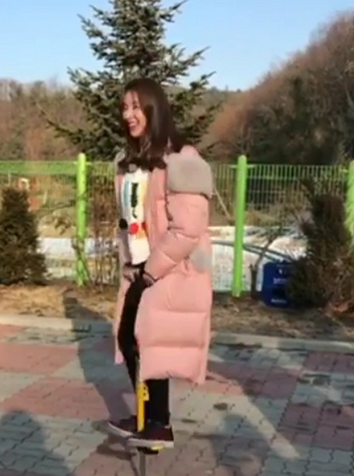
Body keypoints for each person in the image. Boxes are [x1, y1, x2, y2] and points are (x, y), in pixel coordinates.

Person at [107, 77, 213, 449]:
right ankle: (146, 418)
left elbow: (187, 229)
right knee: (128, 337)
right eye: (124, 107)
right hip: (139, 268)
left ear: (154, 109)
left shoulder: (182, 160)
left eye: (136, 107)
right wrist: (129, 261)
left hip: (169, 271)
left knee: (150, 340)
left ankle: (158, 423)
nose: (128, 115)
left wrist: (151, 271)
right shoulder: (130, 164)